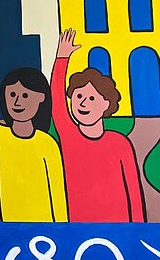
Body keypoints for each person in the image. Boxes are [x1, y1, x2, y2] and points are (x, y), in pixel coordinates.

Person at [51, 28, 145, 222]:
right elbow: (57, 102)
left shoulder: (120, 143)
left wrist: (138, 229)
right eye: (78, 96)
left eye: (92, 98)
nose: (83, 103)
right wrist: (62, 58)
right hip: (78, 226)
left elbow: (134, 194)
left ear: (106, 105)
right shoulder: (69, 136)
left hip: (118, 227)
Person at [0, 51, 67, 222]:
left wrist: (62, 227)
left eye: (25, 95)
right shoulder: (2, 137)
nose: (17, 102)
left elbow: (58, 191)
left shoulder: (48, 144)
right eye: (12, 95)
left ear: (41, 98)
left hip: (44, 224)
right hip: (11, 224)